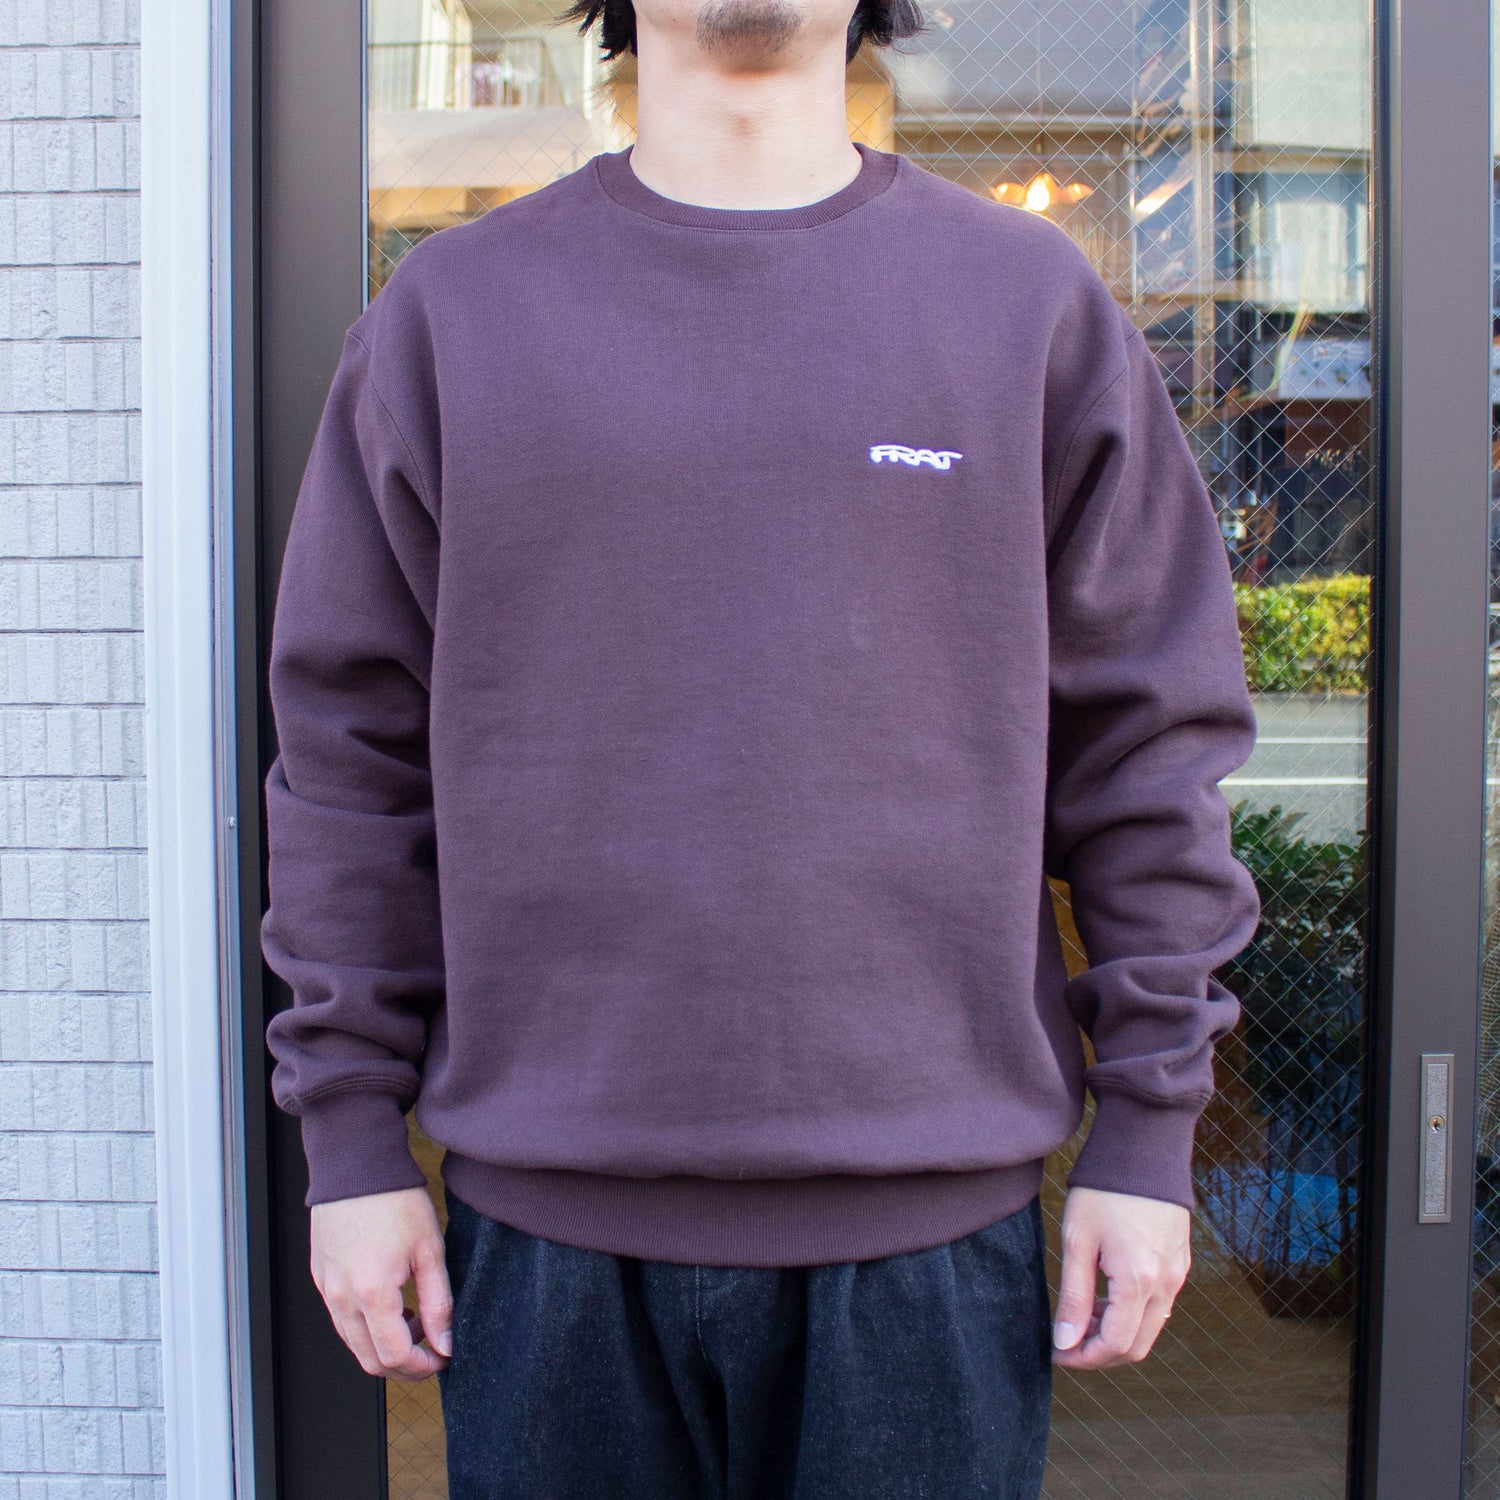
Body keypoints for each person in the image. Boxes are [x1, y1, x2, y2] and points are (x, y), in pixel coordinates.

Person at [257, 0, 1262, 1492]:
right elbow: (351, 758)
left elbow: (1149, 750)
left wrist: (1151, 1126)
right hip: (547, 1244)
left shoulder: (1029, 305)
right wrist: (347, 1137)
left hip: (930, 1248)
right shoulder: (451, 316)